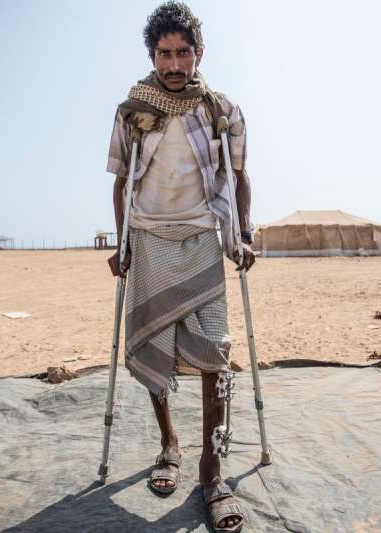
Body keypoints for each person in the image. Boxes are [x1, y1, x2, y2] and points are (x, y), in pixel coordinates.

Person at [105, 2, 255, 531]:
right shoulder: (131, 112)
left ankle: (212, 470)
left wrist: (243, 234)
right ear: (152, 55)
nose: (174, 64)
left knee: (216, 353)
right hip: (146, 239)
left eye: (183, 52)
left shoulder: (221, 110)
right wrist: (121, 243)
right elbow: (122, 181)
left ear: (199, 54)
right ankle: (168, 442)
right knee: (153, 347)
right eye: (165, 53)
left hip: (200, 240)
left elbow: (238, 178)